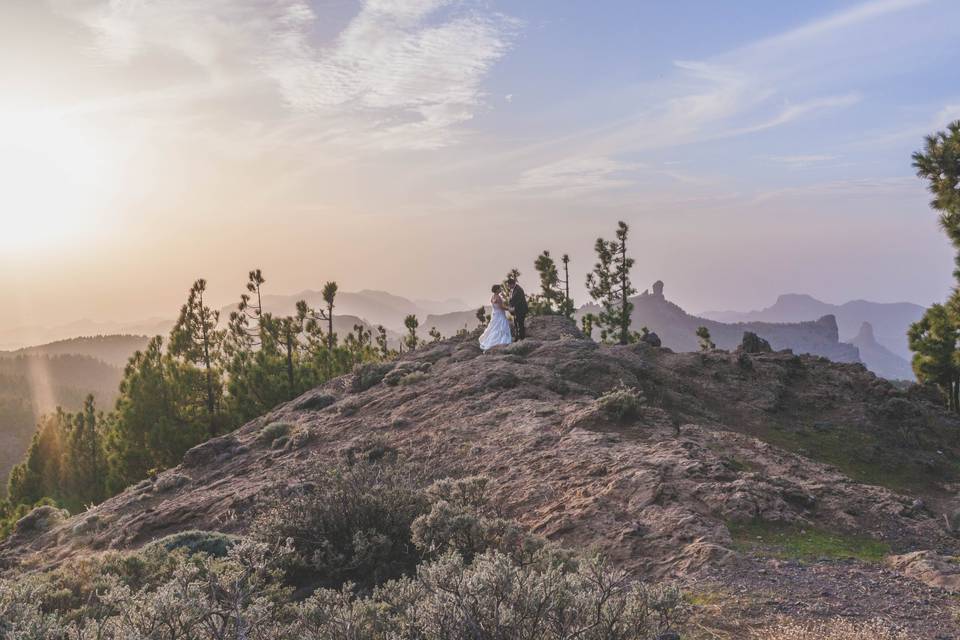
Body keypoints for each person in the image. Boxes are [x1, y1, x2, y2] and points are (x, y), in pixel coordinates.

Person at [479, 284, 513, 351]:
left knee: (494, 327)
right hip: (500, 314)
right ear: (497, 290)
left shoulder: (492, 297)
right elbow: (501, 307)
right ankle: (501, 341)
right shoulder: (498, 297)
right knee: (501, 327)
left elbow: (495, 306)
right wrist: (509, 309)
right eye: (500, 288)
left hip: (495, 314)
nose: (501, 289)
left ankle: (491, 342)